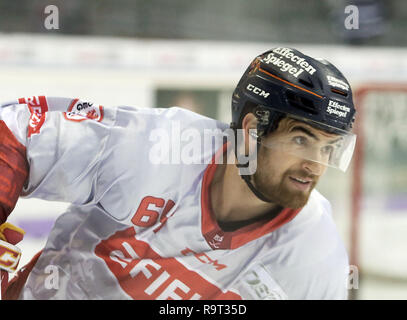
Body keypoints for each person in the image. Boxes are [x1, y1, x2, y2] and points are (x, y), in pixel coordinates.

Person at [0, 47, 356, 300]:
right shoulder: (162, 145)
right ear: (251, 130)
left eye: (328, 147)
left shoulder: (315, 253)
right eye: (301, 139)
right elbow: (19, 129)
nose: (316, 164)